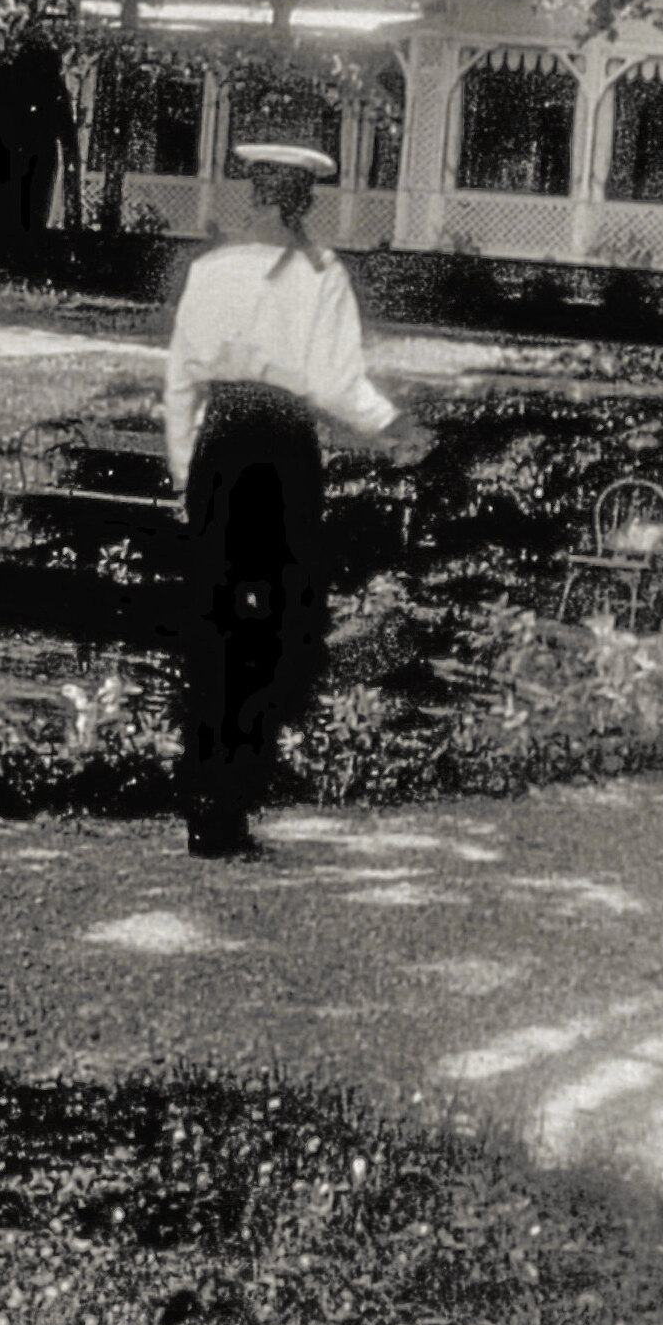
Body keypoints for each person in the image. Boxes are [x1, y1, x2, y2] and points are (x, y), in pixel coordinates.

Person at [163, 141, 431, 859]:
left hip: (227, 445)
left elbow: (181, 381)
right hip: (276, 448)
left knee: (224, 620)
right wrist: (393, 426)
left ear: (253, 198)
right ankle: (231, 790)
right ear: (301, 201)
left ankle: (213, 794)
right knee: (276, 620)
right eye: (288, 197)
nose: (279, 207)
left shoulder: (217, 270)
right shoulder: (316, 273)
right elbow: (337, 382)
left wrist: (187, 474)